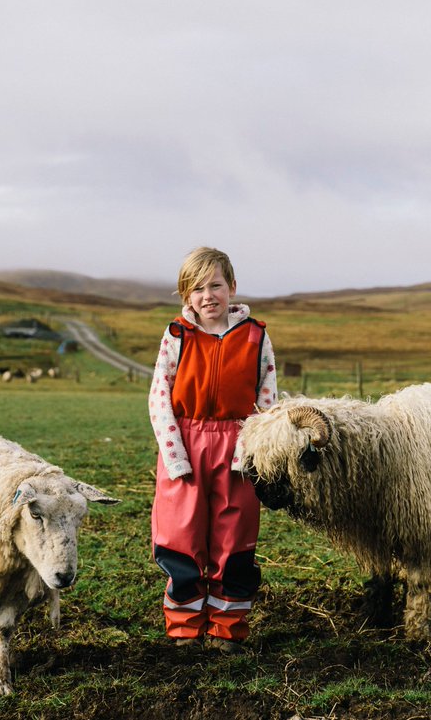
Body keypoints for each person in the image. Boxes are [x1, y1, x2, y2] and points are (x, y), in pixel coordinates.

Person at [148, 246, 278, 652]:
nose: (208, 296)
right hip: (185, 445)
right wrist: (174, 456)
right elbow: (159, 397)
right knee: (181, 539)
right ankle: (186, 629)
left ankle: (227, 630)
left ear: (232, 287)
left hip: (238, 447)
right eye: (198, 288)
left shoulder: (256, 336)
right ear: (186, 296)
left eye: (216, 285)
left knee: (233, 541)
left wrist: (253, 451)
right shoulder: (176, 336)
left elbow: (268, 398)